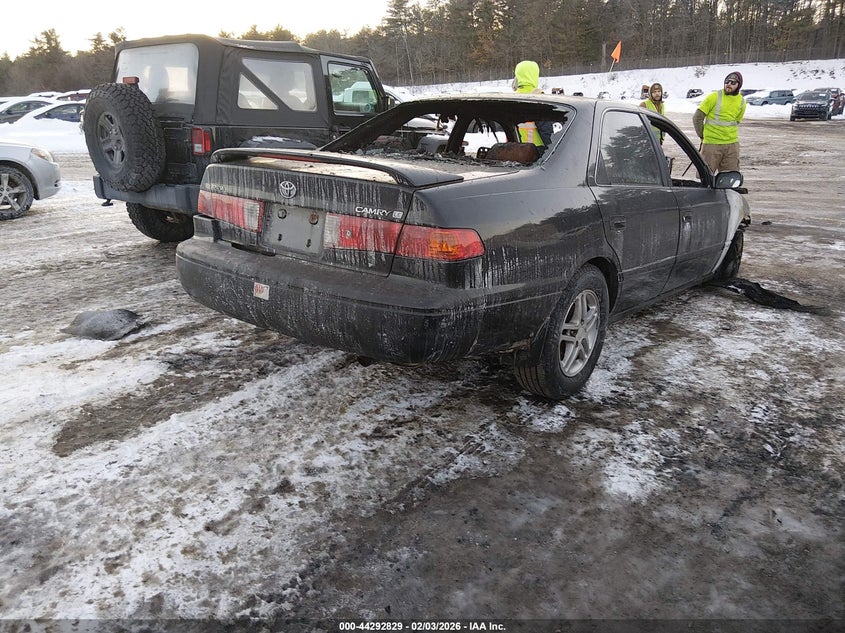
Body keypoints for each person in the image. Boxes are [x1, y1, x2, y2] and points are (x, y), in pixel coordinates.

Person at [693, 71, 747, 173]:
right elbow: (697, 118)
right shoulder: (714, 97)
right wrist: (702, 136)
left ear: (738, 85)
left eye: (733, 83)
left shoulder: (742, 102)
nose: (729, 84)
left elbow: (736, 121)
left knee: (729, 178)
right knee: (706, 177)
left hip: (731, 145)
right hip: (711, 145)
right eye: (727, 81)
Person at [512, 60, 554, 148]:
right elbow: (545, 130)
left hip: (516, 149)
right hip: (536, 149)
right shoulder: (538, 97)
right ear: (534, 75)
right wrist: (552, 149)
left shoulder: (512, 97)